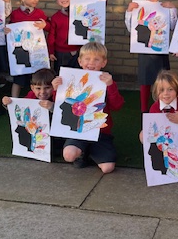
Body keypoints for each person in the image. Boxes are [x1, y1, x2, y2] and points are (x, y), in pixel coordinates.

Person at [52, 42, 124, 174]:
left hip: (100, 132)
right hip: (78, 130)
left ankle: (90, 152)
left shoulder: (107, 81)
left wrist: (111, 86)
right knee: (68, 155)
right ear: (80, 61)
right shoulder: (71, 80)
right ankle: (81, 152)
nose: (91, 63)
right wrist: (56, 89)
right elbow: (61, 103)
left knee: (108, 168)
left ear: (103, 63)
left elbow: (117, 106)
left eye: (96, 59)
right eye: (87, 59)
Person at [125, 0, 177, 112]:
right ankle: (144, 110)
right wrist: (129, 12)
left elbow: (172, 26)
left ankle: (162, 108)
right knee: (145, 81)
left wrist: (172, 9)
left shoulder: (165, 7)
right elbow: (131, 28)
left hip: (160, 51)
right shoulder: (137, 8)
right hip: (144, 51)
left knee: (163, 81)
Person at [47, 0, 108, 74]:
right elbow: (51, 35)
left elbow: (96, 9)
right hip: (61, 52)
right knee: (61, 75)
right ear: (56, 0)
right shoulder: (55, 17)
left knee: (80, 73)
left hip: (80, 50)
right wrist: (51, 52)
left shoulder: (81, 12)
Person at [7, 0, 50, 98]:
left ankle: (36, 99)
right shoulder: (15, 14)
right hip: (21, 52)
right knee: (18, 78)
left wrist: (44, 25)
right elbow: (10, 29)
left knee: (36, 78)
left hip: (35, 51)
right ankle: (14, 100)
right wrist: (7, 31)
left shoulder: (39, 13)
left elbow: (50, 27)